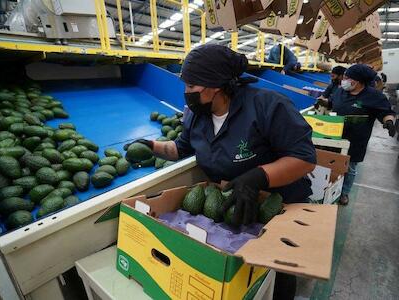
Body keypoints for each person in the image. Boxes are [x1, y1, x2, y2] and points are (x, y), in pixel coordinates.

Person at [130, 44, 316, 300]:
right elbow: (180, 148)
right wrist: (151, 146)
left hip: (279, 205)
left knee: (278, 275)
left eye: (191, 87)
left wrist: (257, 177)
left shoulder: (267, 105)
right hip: (233, 207)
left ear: (214, 86)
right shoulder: (197, 115)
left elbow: (304, 158)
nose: (186, 93)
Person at [328, 64, 396, 205]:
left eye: (347, 78)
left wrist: (389, 122)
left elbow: (386, 112)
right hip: (335, 135)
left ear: (357, 81)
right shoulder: (341, 92)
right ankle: (330, 189)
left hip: (356, 139)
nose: (344, 80)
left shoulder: (373, 96)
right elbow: (332, 103)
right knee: (332, 162)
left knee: (350, 167)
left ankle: (344, 193)